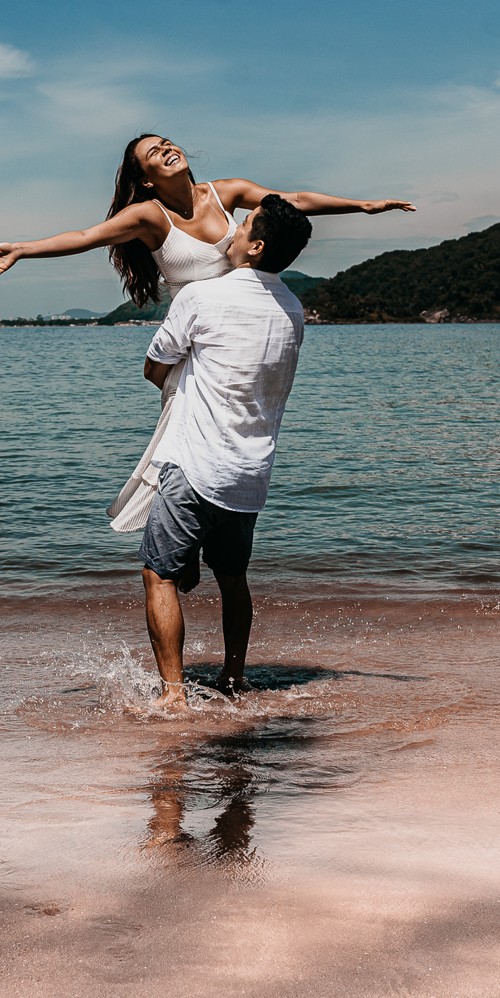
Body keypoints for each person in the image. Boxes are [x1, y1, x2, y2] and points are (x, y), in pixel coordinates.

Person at [137, 194, 312, 711]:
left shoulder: (201, 297)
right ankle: (235, 680)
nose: (232, 227)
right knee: (232, 577)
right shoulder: (294, 310)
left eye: (244, 224)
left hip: (195, 463)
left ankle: (173, 696)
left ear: (255, 246)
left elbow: (153, 368)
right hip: (250, 472)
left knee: (160, 574)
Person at [0, 134, 413, 306]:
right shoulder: (148, 216)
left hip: (240, 321)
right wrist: (22, 249)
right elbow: (87, 236)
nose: (166, 149)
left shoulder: (227, 192)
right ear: (146, 180)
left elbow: (293, 198)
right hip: (193, 332)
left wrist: (364, 205)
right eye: (154, 153)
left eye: (166, 142)